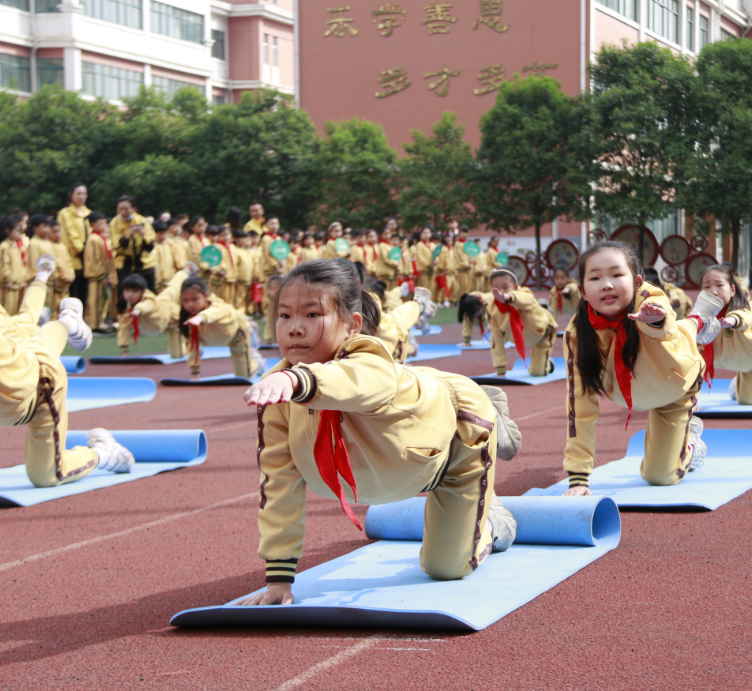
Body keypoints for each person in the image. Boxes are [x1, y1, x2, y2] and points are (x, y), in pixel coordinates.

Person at [232, 259, 519, 606]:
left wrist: (296, 379)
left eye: (312, 315)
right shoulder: (279, 394)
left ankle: (493, 515)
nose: (294, 328)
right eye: (284, 316)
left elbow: (355, 381)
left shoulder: (368, 364)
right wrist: (279, 578)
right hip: (404, 435)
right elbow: (278, 482)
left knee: (447, 567)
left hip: (458, 441)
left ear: (352, 325)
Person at [0, 256, 134, 500]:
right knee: (40, 343)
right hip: (22, 355)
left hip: (39, 389)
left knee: (47, 476)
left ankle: (104, 453)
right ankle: (67, 321)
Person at [561, 241, 715, 495]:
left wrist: (655, 320)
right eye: (595, 277)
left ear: (636, 282)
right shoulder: (577, 335)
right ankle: (697, 321)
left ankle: (691, 446)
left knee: (659, 477)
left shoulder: (649, 300)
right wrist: (578, 478)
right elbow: (580, 405)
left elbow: (662, 315)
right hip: (639, 386)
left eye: (617, 274)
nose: (607, 284)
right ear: (583, 291)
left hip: (673, 385)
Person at [697, 265, 752, 405]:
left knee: (747, 401)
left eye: (719, 285)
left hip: (749, 355)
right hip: (723, 354)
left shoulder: (742, 311)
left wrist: (731, 321)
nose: (713, 291)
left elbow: (743, 317)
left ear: (732, 290)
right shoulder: (699, 315)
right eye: (706, 287)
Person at [466, 268, 557, 377]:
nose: (501, 292)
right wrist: (500, 370)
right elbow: (496, 341)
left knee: (537, 373)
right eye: (496, 288)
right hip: (518, 335)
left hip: (542, 331)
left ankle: (548, 362)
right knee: (498, 334)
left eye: (505, 287)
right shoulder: (492, 309)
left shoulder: (524, 293)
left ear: (516, 287)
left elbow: (526, 299)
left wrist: (508, 297)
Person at [179, 274, 259, 378]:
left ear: (206, 296)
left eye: (195, 299)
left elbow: (214, 312)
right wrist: (195, 374)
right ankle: (252, 340)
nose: (190, 304)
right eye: (185, 300)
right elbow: (193, 347)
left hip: (237, 335)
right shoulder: (190, 319)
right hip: (217, 336)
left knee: (245, 376)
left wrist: (200, 318)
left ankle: (257, 359)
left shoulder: (217, 305)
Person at [117, 270, 187, 358]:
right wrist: (124, 351)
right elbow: (123, 328)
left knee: (177, 355)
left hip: (171, 318)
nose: (130, 295)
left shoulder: (149, 299)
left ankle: (186, 271)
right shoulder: (125, 310)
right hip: (161, 302)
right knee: (171, 290)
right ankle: (186, 271)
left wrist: (137, 311)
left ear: (143, 291)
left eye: (134, 291)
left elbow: (146, 305)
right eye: (127, 291)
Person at [110, 196, 156, 312]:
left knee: (149, 292)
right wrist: (127, 236)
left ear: (134, 209)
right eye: (121, 209)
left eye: (127, 209)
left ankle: (149, 319)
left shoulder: (143, 221)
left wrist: (143, 234)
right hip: (124, 265)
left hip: (144, 264)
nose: (124, 212)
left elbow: (150, 246)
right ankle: (122, 319)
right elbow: (115, 247)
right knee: (125, 294)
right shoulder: (114, 223)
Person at [57, 182, 92, 305]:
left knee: (85, 291)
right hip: (73, 257)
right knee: (72, 291)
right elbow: (69, 234)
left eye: (84, 194)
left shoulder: (89, 213)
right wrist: (82, 251)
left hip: (88, 258)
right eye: (78, 194)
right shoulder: (65, 213)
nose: (82, 196)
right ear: (71, 195)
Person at [82, 212, 116, 330]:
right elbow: (95, 259)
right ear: (92, 224)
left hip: (102, 276)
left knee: (101, 301)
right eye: (100, 223)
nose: (104, 225)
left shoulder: (101, 238)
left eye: (104, 223)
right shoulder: (94, 239)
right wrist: (102, 274)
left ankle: (99, 323)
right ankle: (94, 325)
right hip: (97, 276)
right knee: (95, 301)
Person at [0, 214, 30, 315]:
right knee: (8, 309)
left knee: (16, 310)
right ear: (7, 231)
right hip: (9, 284)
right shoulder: (4, 246)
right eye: (16, 231)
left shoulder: (15, 245)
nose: (18, 234)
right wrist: (7, 279)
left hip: (17, 283)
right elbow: (3, 264)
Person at [410, 226, 438, 297]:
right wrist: (428, 264)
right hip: (424, 269)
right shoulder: (419, 245)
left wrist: (436, 261)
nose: (426, 235)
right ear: (421, 235)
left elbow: (437, 255)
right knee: (423, 287)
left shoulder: (433, 245)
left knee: (432, 287)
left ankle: (430, 301)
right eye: (424, 233)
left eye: (428, 233)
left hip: (432, 269)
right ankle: (423, 302)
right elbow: (419, 257)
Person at [151, 221, 177, 293]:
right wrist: (158, 281)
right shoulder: (154, 247)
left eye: (164, 233)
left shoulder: (167, 245)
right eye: (160, 234)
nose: (163, 236)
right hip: (160, 283)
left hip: (169, 280)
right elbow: (156, 266)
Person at [260, 273, 283, 346]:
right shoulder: (267, 298)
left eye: (276, 287)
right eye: (271, 287)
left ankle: (279, 340)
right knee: (270, 324)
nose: (273, 290)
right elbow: (264, 305)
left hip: (279, 313)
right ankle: (269, 339)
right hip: (270, 314)